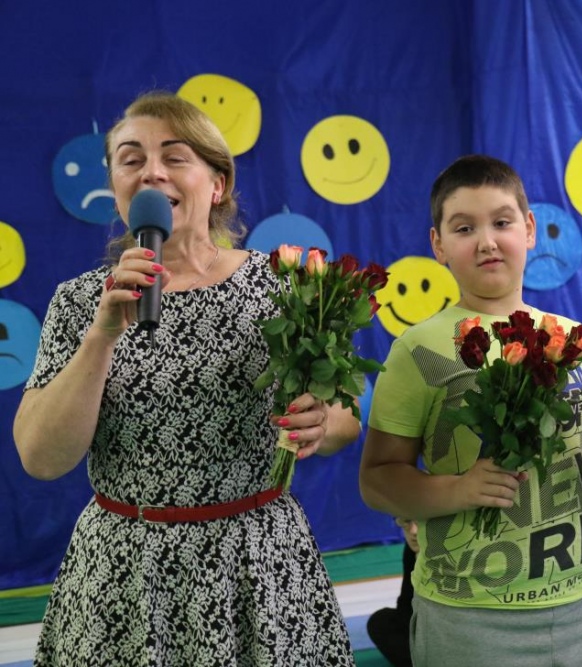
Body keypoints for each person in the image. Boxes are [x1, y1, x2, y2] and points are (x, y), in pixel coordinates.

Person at [13, 91, 360, 665]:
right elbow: (42, 458)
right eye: (131, 159)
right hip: (125, 574)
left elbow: (346, 411)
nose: (151, 172)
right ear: (117, 187)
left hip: (258, 563)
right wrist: (102, 335)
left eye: (174, 157)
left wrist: (324, 421)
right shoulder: (79, 303)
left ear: (217, 184)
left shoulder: (283, 285)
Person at [358, 154, 582, 667]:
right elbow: (377, 480)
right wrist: (457, 489)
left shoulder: (570, 338)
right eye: (464, 228)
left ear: (529, 230)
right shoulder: (418, 350)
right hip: (470, 618)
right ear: (438, 245)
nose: (487, 241)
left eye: (501, 222)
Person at [366, 517, 418, 667]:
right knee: (380, 622)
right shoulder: (411, 550)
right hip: (422, 626)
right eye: (406, 522)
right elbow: (405, 603)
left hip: (450, 628)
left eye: (419, 522)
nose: (413, 531)